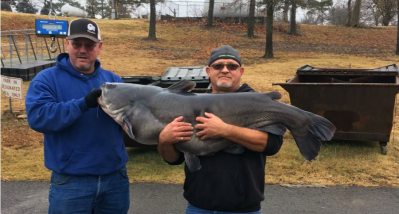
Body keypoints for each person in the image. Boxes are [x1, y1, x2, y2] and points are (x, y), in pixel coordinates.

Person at [157, 45, 285, 214]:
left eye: (232, 66)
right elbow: (174, 159)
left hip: (243, 208)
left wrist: (225, 130)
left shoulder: (256, 101)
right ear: (208, 71)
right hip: (198, 205)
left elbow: (271, 144)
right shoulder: (191, 103)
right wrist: (164, 141)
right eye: (218, 66)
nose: (225, 70)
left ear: (241, 71)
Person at [25, 18, 130, 213]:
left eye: (89, 45)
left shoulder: (113, 81)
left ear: (99, 47)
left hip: (115, 180)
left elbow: (129, 122)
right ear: (67, 44)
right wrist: (82, 104)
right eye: (77, 44)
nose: (83, 49)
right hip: (71, 183)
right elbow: (38, 117)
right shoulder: (46, 80)